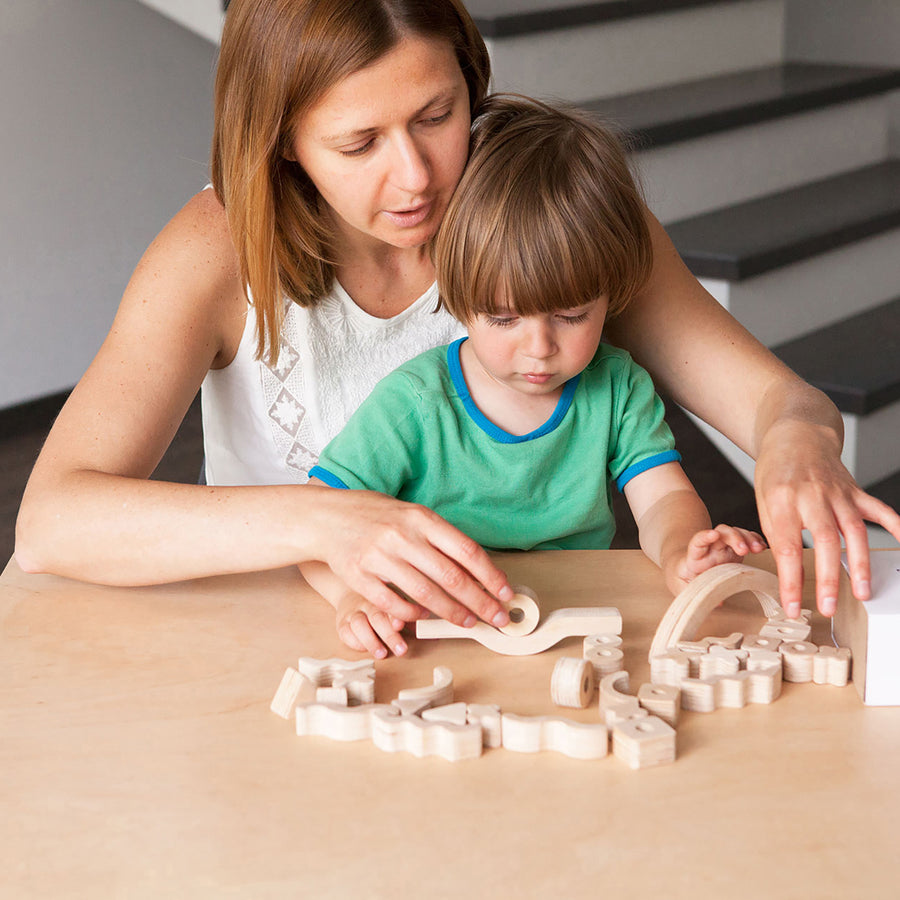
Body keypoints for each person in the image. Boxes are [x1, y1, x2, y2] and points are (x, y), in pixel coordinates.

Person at [14, 0, 900, 636]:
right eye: (358, 144)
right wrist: (327, 522)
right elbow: (54, 520)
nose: (418, 177)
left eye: (437, 115)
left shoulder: (545, 208)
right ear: (282, 140)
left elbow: (782, 404)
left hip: (539, 634)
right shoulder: (218, 250)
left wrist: (796, 448)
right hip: (310, 642)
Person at [299, 95, 767, 657]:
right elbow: (317, 528)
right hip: (444, 634)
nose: (540, 349)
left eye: (572, 316)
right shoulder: (415, 402)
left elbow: (663, 498)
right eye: (503, 318)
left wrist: (684, 551)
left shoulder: (616, 386)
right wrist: (352, 600)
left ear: (611, 297)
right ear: (456, 297)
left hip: (576, 627)